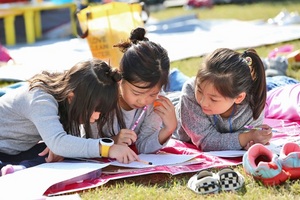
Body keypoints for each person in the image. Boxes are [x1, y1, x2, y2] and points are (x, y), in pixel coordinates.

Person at [0, 58, 139, 175]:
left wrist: (62, 146)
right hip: (5, 149)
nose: (97, 116)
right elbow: (59, 142)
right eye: (96, 109)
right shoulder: (40, 99)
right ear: (72, 97)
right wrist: (109, 149)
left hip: (14, 150)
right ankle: (18, 169)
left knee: (62, 151)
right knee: (61, 147)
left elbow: (72, 143)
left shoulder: (69, 92)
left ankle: (19, 169)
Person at [94, 27, 177, 154]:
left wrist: (169, 129)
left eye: (153, 93)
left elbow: (143, 146)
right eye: (136, 92)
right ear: (120, 79)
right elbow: (84, 141)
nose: (144, 100)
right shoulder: (101, 96)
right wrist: (113, 141)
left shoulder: (156, 102)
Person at [172, 48, 273, 151]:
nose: (203, 102)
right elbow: (206, 141)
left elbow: (247, 137)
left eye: (213, 99)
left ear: (239, 98)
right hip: (172, 104)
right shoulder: (190, 92)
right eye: (200, 91)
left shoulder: (253, 104)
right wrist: (247, 137)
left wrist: (252, 141)